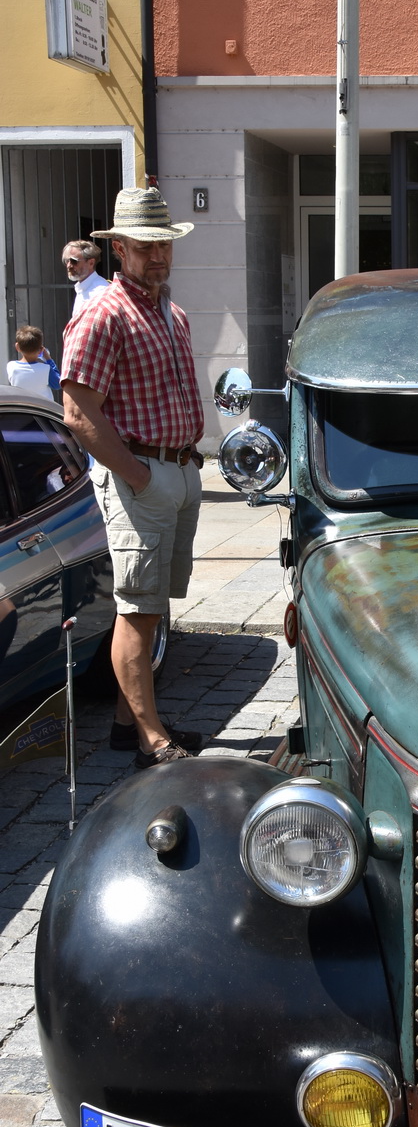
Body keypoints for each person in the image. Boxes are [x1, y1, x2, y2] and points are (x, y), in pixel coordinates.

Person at [61, 187, 205, 768]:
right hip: (140, 477)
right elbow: (78, 412)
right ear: (118, 248)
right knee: (137, 608)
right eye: (146, 247)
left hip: (178, 469)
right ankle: (151, 741)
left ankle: (128, 726)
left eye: (165, 245)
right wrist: (138, 476)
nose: (159, 256)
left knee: (155, 606)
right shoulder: (103, 314)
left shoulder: (171, 312)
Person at [6, 325, 61, 400]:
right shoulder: (46, 369)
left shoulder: (11, 366)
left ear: (17, 347)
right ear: (41, 349)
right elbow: (57, 384)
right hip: (43, 410)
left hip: (21, 408)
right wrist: (49, 359)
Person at [62, 239, 109, 313]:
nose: (69, 266)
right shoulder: (82, 288)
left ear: (91, 263)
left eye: (74, 261)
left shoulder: (100, 291)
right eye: (66, 261)